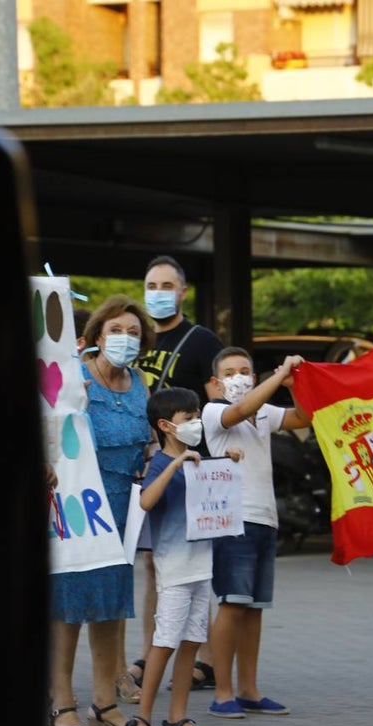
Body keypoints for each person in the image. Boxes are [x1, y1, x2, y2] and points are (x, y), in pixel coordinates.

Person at [45, 294, 152, 726]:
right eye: (116, 330)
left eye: (133, 332)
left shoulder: (140, 385)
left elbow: (147, 439)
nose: (125, 338)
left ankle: (104, 704)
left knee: (110, 606)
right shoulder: (76, 379)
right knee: (69, 607)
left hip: (123, 515)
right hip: (79, 510)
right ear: (96, 337)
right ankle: (62, 705)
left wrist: (152, 457)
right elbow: (48, 425)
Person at [125, 387, 245, 726]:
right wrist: (175, 465)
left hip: (201, 568)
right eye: (188, 418)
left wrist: (228, 461)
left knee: (191, 643)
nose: (196, 423)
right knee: (164, 644)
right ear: (165, 425)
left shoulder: (199, 461)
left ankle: (177, 718)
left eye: (196, 416)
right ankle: (142, 718)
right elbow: (146, 501)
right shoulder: (161, 463)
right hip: (174, 571)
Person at [132, 254, 226, 693]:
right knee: (153, 562)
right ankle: (152, 649)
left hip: (193, 466)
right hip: (150, 462)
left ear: (184, 292)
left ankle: (204, 659)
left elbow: (218, 403)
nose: (158, 294)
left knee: (194, 563)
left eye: (167, 286)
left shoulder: (201, 341)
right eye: (151, 286)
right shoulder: (138, 338)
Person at [203, 348, 309, 718]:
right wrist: (278, 377)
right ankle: (222, 693)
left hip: (265, 518)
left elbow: (303, 417)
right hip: (233, 519)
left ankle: (249, 689)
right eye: (229, 372)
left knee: (254, 609)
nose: (238, 377)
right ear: (216, 382)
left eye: (244, 370)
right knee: (232, 604)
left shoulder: (264, 412)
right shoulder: (213, 411)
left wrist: (293, 386)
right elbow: (241, 410)